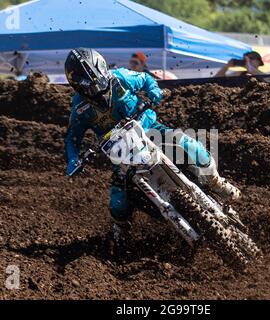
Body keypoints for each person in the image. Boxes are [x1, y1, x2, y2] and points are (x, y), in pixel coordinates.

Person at [64, 48, 241, 242]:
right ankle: (120, 231)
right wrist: (73, 158)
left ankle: (215, 181)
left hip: (151, 131)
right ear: (78, 86)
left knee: (190, 145)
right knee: (118, 199)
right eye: (91, 87)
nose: (98, 89)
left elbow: (146, 80)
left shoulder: (121, 77)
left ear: (104, 70)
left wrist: (154, 91)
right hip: (121, 152)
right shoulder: (80, 108)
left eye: (100, 80)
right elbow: (73, 137)